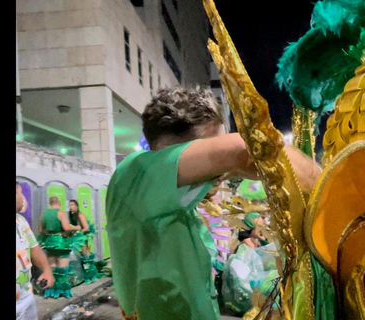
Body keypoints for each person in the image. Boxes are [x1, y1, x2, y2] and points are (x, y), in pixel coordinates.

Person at [106, 86, 322, 320]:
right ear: (174, 152)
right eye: (210, 147)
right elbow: (246, 148)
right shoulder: (134, 173)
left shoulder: (174, 204)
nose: (220, 175)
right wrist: (326, 185)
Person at [16, 181, 55, 320]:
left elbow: (34, 248)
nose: (23, 198)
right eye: (20, 193)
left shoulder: (21, 221)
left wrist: (46, 269)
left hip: (25, 298)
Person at [38, 196, 81, 298]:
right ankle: (62, 290)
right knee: (63, 267)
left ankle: (51, 290)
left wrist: (49, 234)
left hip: (49, 242)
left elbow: (40, 230)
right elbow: (66, 228)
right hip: (61, 243)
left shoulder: (44, 214)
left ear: (50, 203)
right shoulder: (61, 213)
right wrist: (76, 227)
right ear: (59, 203)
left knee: (52, 266)